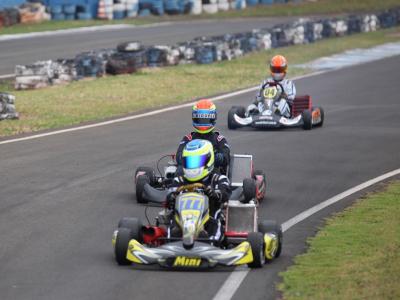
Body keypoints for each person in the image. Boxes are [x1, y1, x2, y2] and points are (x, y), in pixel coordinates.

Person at [168, 139, 231, 240]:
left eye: (196, 161)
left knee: (215, 217)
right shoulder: (179, 180)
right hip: (183, 219)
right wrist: (172, 196)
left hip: (208, 219)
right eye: (189, 162)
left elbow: (225, 192)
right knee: (173, 217)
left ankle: (211, 241)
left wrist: (215, 194)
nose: (192, 166)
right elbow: (170, 193)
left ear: (208, 160)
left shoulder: (217, 179)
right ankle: (172, 241)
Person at [176, 99, 230, 174]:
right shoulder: (188, 138)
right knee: (179, 171)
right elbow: (178, 156)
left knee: (217, 171)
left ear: (212, 118)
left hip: (211, 174)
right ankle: (176, 185)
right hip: (190, 172)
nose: (203, 121)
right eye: (201, 119)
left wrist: (220, 157)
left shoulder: (219, 139)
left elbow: (226, 157)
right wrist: (184, 157)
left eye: (206, 118)